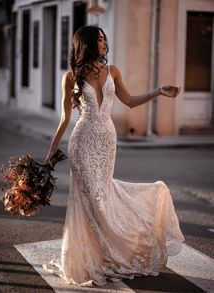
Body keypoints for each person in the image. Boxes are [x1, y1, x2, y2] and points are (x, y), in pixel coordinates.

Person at [43, 25, 185, 287]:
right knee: (90, 200)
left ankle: (109, 254)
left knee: (103, 195)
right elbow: (65, 118)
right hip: (82, 142)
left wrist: (158, 91)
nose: (104, 43)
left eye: (105, 39)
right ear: (86, 43)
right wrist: (51, 150)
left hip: (107, 141)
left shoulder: (113, 72)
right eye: (99, 39)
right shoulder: (70, 77)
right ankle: (91, 258)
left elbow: (129, 101)